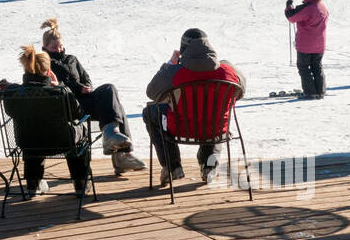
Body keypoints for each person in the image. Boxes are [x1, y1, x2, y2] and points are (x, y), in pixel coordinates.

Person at [40, 18, 146, 174]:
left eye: (60, 45)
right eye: (54, 47)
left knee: (111, 93)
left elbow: (85, 77)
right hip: (71, 105)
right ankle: (121, 155)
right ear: (45, 47)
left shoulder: (72, 59)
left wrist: (86, 87)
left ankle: (117, 143)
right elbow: (58, 85)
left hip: (85, 100)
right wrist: (78, 88)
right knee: (117, 109)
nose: (59, 49)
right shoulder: (46, 63)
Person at [144, 29, 247, 185]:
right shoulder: (228, 70)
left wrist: (170, 65)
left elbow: (151, 93)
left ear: (183, 49)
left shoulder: (174, 72)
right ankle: (209, 165)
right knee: (213, 117)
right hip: (216, 129)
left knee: (150, 112)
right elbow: (240, 91)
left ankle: (172, 166)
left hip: (180, 129)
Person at [13, 44, 89, 196]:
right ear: (48, 70)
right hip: (60, 141)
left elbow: (11, 111)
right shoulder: (60, 92)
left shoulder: (14, 93)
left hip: (27, 142)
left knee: (33, 132)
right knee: (80, 132)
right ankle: (80, 183)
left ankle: (32, 184)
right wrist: (59, 85)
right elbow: (79, 113)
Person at [285, 0, 328, 98]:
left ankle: (310, 92)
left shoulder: (308, 8)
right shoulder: (323, 7)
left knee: (303, 67)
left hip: (306, 45)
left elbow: (292, 18)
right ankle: (320, 91)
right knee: (317, 67)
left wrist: (288, 7)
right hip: (320, 44)